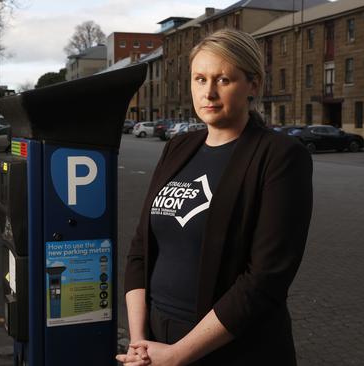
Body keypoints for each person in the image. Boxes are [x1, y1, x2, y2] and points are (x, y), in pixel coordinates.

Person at [116, 29, 313, 366]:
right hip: (156, 337)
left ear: (253, 85)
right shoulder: (179, 148)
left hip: (231, 346)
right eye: (199, 79)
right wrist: (139, 340)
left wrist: (180, 354)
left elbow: (266, 279)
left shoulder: (279, 156)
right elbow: (141, 248)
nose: (208, 92)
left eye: (223, 79)